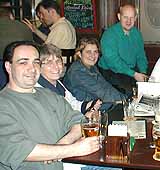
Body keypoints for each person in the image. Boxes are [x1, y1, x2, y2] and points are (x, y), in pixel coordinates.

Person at [0, 41, 100, 170]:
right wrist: (73, 149)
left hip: (69, 164)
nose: (32, 68)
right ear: (8, 67)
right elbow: (20, 149)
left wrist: (64, 143)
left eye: (36, 62)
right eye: (23, 62)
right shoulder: (4, 104)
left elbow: (80, 122)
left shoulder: (49, 94)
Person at [35, 44, 101, 114]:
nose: (56, 66)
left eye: (58, 61)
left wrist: (88, 105)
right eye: (49, 62)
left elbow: (71, 103)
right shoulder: (39, 91)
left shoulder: (57, 83)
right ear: (39, 67)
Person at [99, 4, 148, 95]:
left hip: (131, 71)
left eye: (131, 17)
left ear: (136, 18)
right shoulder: (109, 34)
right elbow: (113, 61)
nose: (128, 21)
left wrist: (143, 73)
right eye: (125, 17)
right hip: (111, 72)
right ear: (119, 17)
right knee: (130, 93)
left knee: (147, 91)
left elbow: (141, 56)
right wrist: (134, 74)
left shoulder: (137, 33)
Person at [64, 38, 125, 102]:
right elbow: (103, 93)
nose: (93, 55)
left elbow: (106, 86)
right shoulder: (77, 72)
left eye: (95, 52)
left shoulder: (91, 67)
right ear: (79, 54)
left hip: (95, 102)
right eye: (88, 52)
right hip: (84, 108)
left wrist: (124, 97)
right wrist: (126, 101)